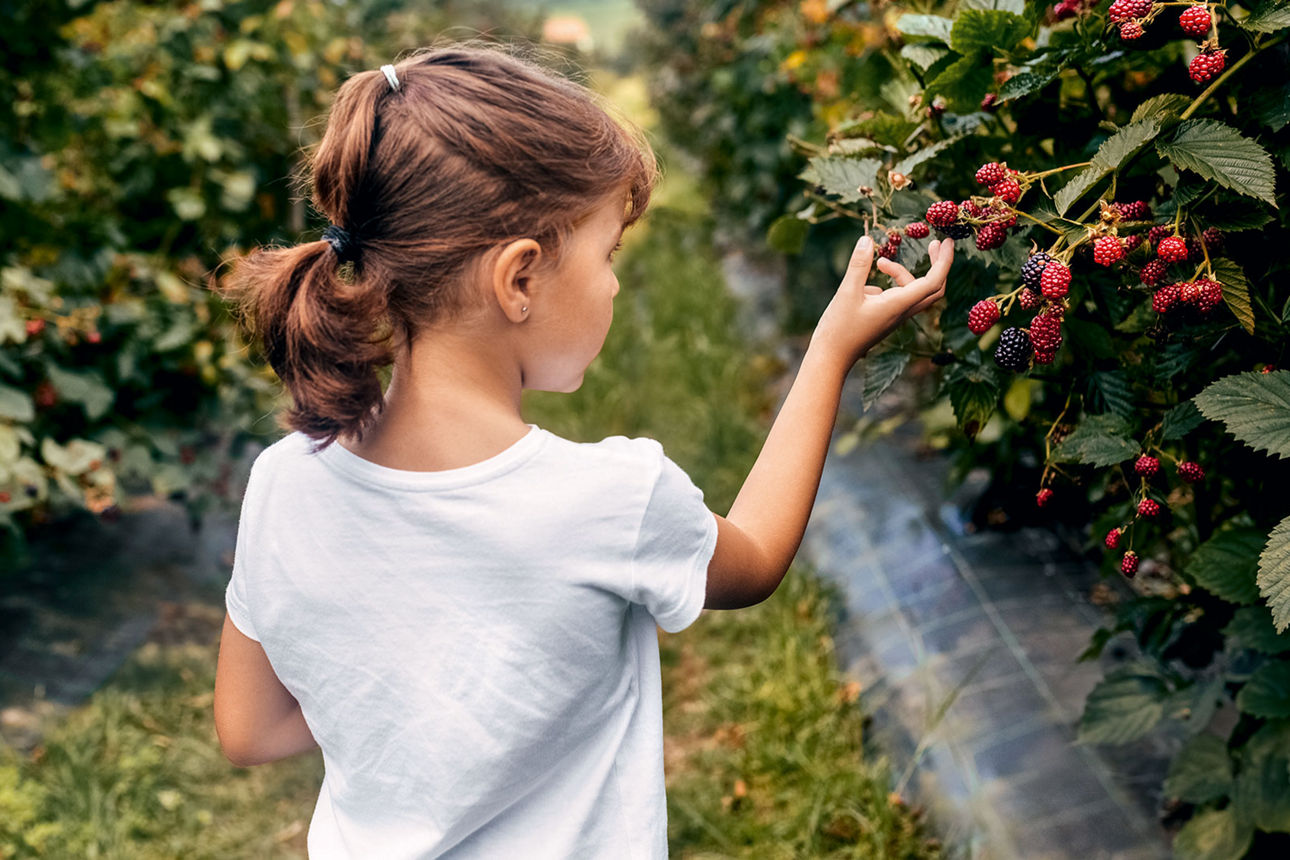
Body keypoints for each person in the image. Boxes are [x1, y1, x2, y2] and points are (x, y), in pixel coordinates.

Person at [212, 42, 954, 859]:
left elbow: (249, 729)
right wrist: (829, 352)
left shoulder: (284, 481)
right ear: (519, 278)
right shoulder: (610, 501)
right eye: (609, 255)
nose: (613, 285)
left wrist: (406, 704)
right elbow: (757, 559)